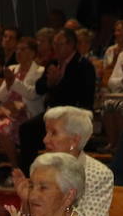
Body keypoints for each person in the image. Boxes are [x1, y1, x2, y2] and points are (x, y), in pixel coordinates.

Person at [25, 105, 113, 216]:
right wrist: (25, 200)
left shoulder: (98, 173)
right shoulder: (42, 167)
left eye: (53, 133)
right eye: (46, 133)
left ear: (74, 140)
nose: (45, 140)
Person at [23, 27, 96, 171]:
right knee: (26, 128)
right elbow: (39, 87)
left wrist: (58, 83)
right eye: (54, 44)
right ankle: (29, 173)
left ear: (70, 45)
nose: (55, 47)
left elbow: (82, 95)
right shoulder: (53, 63)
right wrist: (50, 82)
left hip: (74, 113)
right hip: (52, 112)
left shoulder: (83, 65)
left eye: (59, 44)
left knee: (57, 132)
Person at [0, 36, 44, 183]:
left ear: (33, 53)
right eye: (17, 49)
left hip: (26, 113)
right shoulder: (13, 69)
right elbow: (0, 95)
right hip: (7, 110)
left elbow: (32, 94)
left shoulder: (39, 71)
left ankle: (16, 170)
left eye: (23, 49)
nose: (19, 52)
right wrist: (9, 84)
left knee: (4, 129)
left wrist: (13, 81)